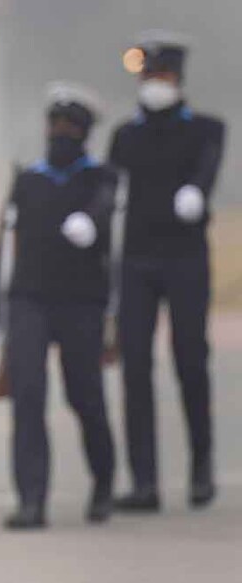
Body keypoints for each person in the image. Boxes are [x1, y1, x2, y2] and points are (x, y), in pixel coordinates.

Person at [0, 82, 118, 529]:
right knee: (28, 396)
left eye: (70, 127)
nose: (60, 133)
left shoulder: (100, 178)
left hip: (81, 302)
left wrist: (93, 220)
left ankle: (103, 480)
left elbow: (112, 227)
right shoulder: (29, 179)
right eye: (55, 124)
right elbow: (5, 248)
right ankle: (32, 498)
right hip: (30, 300)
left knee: (85, 395)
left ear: (85, 132)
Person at [108, 30, 226, 512]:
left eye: (163, 74)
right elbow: (110, 192)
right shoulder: (126, 134)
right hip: (136, 260)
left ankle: (201, 469)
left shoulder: (205, 128)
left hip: (184, 258)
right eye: (149, 74)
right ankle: (144, 482)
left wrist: (198, 189)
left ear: (178, 77)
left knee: (190, 360)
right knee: (135, 367)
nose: (156, 82)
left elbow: (209, 163)